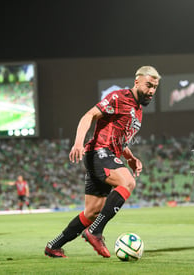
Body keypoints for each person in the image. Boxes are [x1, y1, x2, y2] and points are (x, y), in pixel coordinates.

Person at [44, 66, 160, 258]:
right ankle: (95, 232)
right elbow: (89, 115)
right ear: (137, 81)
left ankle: (54, 245)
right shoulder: (119, 97)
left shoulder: (138, 112)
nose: (151, 91)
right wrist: (78, 143)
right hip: (98, 152)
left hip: (106, 155)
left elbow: (119, 142)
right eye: (148, 85)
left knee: (91, 212)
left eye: (155, 87)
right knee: (128, 182)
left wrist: (130, 158)